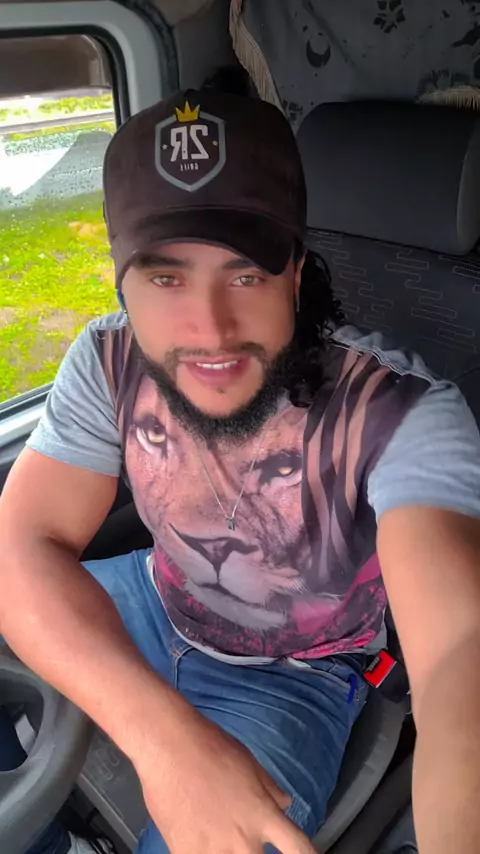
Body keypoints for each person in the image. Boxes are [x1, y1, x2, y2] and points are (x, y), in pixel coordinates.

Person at [1, 88, 480, 854]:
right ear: (122, 281)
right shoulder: (107, 360)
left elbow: (461, 649)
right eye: (166, 279)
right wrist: (163, 738)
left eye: (247, 274)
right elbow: (22, 542)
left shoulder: (400, 411)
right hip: (153, 598)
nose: (211, 329)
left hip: (296, 673)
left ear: (296, 272)